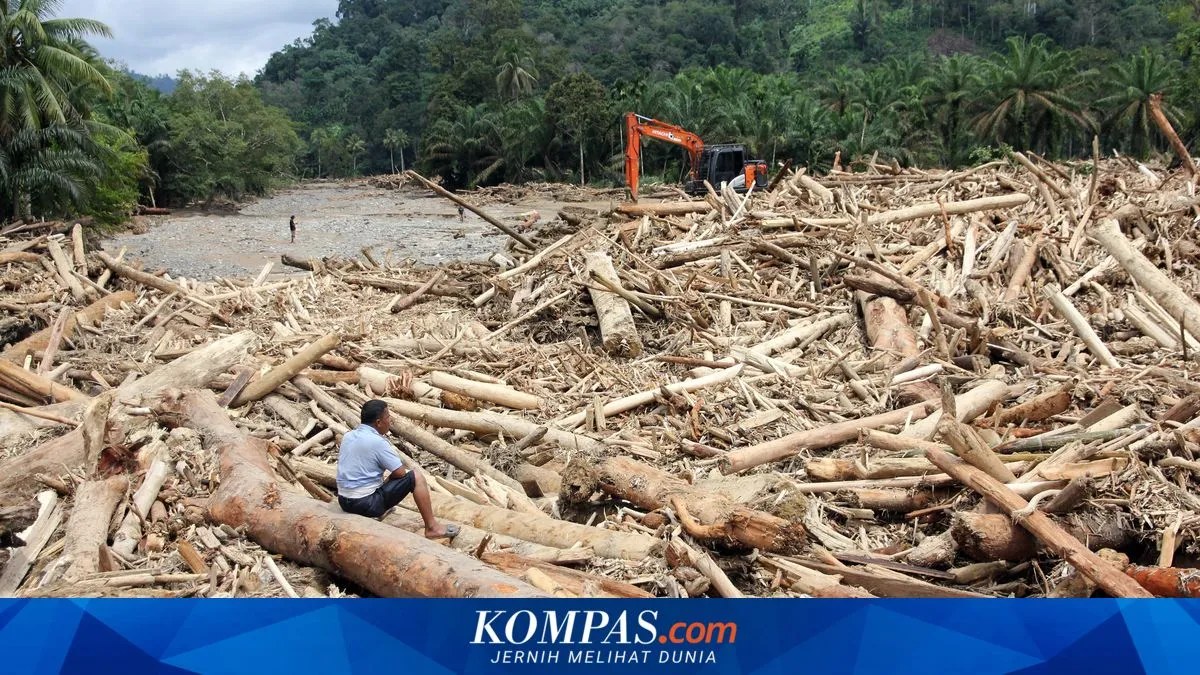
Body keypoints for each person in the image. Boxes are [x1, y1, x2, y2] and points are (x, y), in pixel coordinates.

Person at [336, 399, 457, 539]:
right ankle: (432, 527)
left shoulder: (348, 436)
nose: (390, 421)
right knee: (416, 477)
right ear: (379, 422)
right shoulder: (378, 442)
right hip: (365, 505)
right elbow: (399, 472)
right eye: (388, 417)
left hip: (344, 501)